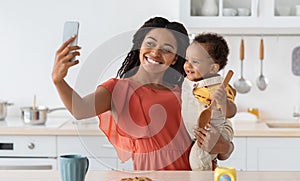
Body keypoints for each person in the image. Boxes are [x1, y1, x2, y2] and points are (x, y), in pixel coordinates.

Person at [52, 17, 234, 170]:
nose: (155, 52)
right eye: (150, 44)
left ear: (175, 59)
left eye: (167, 49)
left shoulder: (189, 91)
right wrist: (58, 80)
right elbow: (80, 109)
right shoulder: (118, 89)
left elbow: (221, 137)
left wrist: (224, 146)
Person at [181, 33, 237, 170]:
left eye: (195, 62)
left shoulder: (218, 87)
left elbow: (231, 112)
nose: (188, 65)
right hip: (197, 133)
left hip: (214, 132)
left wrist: (224, 102)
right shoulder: (188, 82)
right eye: (187, 59)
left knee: (197, 161)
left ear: (213, 68)